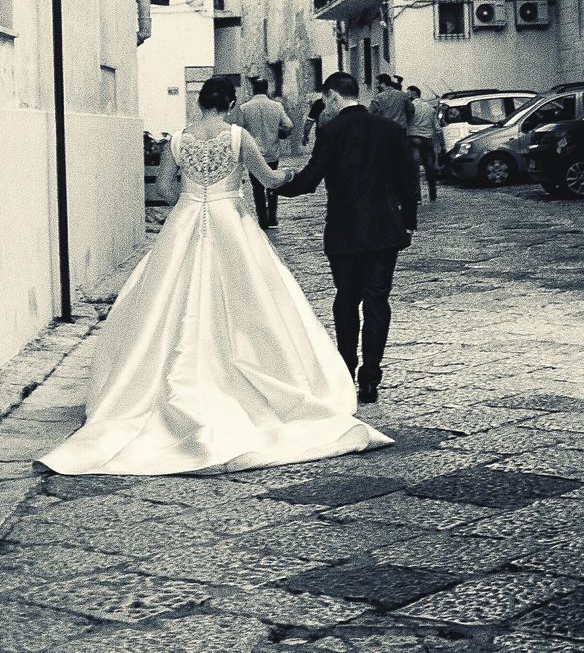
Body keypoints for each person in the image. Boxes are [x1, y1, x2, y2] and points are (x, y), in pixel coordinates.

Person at [35, 76, 391, 476]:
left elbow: (167, 187)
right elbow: (269, 179)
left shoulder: (178, 139)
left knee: (167, 300)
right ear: (231, 103)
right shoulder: (237, 136)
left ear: (200, 104)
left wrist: (192, 198)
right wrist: (287, 179)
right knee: (252, 300)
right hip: (229, 219)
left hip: (187, 218)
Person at [275, 72, 418, 404]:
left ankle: (345, 368)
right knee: (378, 300)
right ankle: (371, 377)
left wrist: (278, 184)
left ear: (332, 97)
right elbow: (408, 179)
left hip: (345, 231)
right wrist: (408, 222)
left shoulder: (331, 131)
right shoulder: (391, 130)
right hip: (385, 230)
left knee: (346, 299)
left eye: (326, 100)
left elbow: (311, 179)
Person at [228, 77, 292, 229]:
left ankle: (262, 218)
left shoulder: (244, 108)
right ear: (266, 88)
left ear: (253, 90)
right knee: (273, 183)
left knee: (257, 187)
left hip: (254, 153)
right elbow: (288, 125)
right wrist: (279, 133)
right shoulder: (276, 106)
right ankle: (273, 217)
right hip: (272, 151)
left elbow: (237, 129)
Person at [406, 85, 439, 203]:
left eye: (408, 93)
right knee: (429, 168)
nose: (407, 95)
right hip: (428, 140)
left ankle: (417, 198)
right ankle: (433, 195)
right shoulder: (430, 108)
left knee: (414, 170)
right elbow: (437, 127)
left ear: (413, 94)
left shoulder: (410, 107)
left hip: (413, 138)